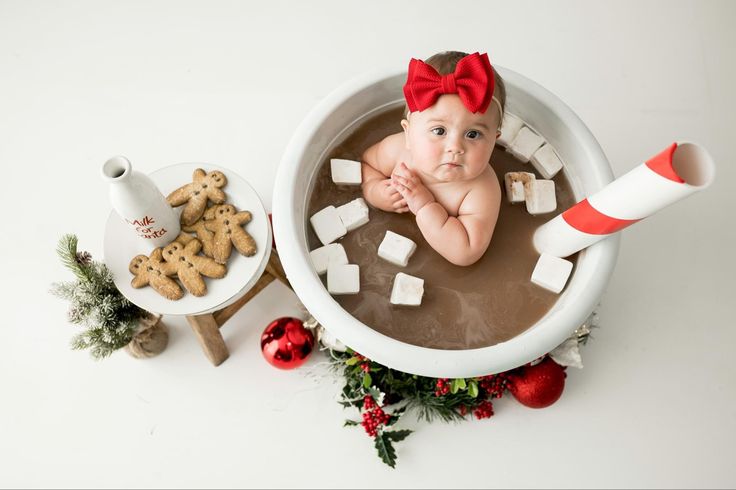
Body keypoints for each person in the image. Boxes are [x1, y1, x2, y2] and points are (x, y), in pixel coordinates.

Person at [361, 51, 506, 266]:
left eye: (473, 134)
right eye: (439, 131)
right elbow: (366, 163)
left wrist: (425, 206)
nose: (455, 147)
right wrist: (374, 192)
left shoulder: (480, 189)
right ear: (408, 133)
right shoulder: (398, 149)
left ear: (494, 141)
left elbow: (466, 252)